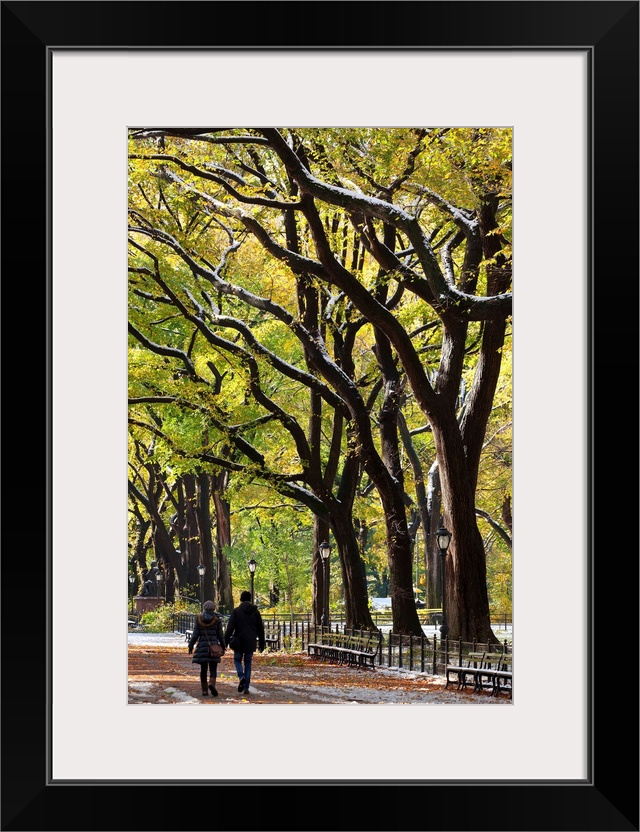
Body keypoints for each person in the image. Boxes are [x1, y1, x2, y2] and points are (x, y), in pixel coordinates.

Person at [224, 590, 265, 695]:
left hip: (239, 640)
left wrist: (225, 641)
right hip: (251, 641)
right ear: (250, 599)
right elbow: (260, 628)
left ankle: (241, 676)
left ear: (241, 599)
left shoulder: (236, 611)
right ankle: (246, 687)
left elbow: (230, 628)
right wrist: (261, 643)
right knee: (248, 663)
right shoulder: (255, 612)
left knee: (237, 660)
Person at [188, 600, 225, 697]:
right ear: (214, 608)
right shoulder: (217, 619)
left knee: (203, 669)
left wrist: (191, 645)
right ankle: (211, 684)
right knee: (213, 668)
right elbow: (220, 635)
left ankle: (204, 690)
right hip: (214, 648)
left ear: (204, 608)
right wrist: (223, 646)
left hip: (202, 648)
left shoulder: (199, 618)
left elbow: (195, 634)